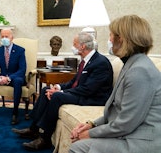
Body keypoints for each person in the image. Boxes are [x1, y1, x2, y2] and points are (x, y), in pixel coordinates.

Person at [69, 15, 161, 153]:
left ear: (121, 39)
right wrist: (91, 124)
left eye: (111, 35)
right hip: (130, 134)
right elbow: (118, 110)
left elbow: (126, 123)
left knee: (78, 147)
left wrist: (90, 134)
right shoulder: (132, 64)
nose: (109, 40)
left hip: (139, 142)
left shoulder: (140, 71)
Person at [12, 32, 113, 151]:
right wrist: (58, 87)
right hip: (83, 93)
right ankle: (33, 129)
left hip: (92, 98)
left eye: (74, 44)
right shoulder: (85, 60)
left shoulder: (100, 62)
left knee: (57, 97)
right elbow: (74, 82)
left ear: (83, 46)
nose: (72, 47)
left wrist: (61, 93)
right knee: (46, 90)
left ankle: (45, 139)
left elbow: (88, 89)